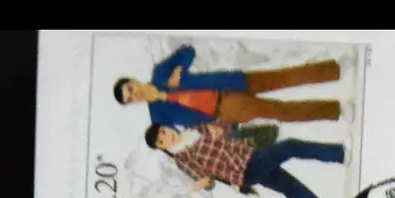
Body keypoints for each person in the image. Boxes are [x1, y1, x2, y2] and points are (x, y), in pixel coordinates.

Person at [147, 119, 345, 198]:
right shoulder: (182, 158)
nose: (167, 137)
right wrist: (199, 185)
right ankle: (340, 153)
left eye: (164, 132)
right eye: (162, 141)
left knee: (289, 187)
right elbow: (206, 179)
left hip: (247, 154)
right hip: (243, 170)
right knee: (290, 147)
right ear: (161, 148)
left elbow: (226, 125)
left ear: (167, 127)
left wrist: (219, 129)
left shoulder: (194, 128)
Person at [113, 47, 346, 127]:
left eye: (130, 89)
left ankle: (335, 69)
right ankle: (337, 110)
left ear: (133, 81)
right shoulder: (158, 116)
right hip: (225, 108)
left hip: (230, 81)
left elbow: (188, 51)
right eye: (129, 99)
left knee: (282, 76)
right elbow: (177, 138)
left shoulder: (160, 73)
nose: (134, 95)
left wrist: (179, 70)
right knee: (279, 110)